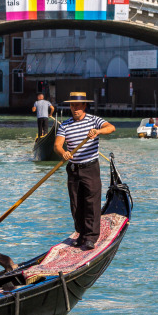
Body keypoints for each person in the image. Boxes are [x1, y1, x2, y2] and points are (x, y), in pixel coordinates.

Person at [54, 91, 115, 250]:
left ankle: (91, 237)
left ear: (84, 106)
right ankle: (81, 233)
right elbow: (57, 145)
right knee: (76, 203)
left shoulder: (94, 120)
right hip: (73, 169)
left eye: (78, 105)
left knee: (91, 202)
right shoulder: (65, 125)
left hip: (90, 167)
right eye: (72, 105)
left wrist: (98, 131)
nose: (75, 108)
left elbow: (111, 127)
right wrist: (63, 153)